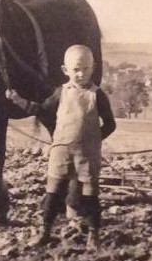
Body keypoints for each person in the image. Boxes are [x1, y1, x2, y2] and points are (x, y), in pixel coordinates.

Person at [6, 44, 116, 248]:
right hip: (61, 152)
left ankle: (93, 234)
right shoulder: (61, 93)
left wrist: (94, 141)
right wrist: (18, 100)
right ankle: (45, 231)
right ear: (65, 70)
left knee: (90, 196)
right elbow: (42, 110)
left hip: (87, 156)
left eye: (86, 69)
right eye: (76, 69)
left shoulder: (97, 95)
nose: (81, 74)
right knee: (53, 193)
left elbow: (110, 124)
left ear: (94, 68)